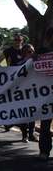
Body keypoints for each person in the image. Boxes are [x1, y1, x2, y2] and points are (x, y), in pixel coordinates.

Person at [37, 27, 53, 161]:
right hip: (46, 97)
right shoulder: (41, 53)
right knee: (45, 125)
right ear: (48, 39)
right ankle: (44, 151)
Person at [17, 44, 38, 143]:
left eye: (33, 51)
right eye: (29, 52)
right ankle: (24, 135)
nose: (32, 53)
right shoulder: (20, 63)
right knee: (24, 115)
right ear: (24, 53)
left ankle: (31, 134)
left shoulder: (38, 62)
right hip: (23, 93)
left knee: (33, 114)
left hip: (35, 92)